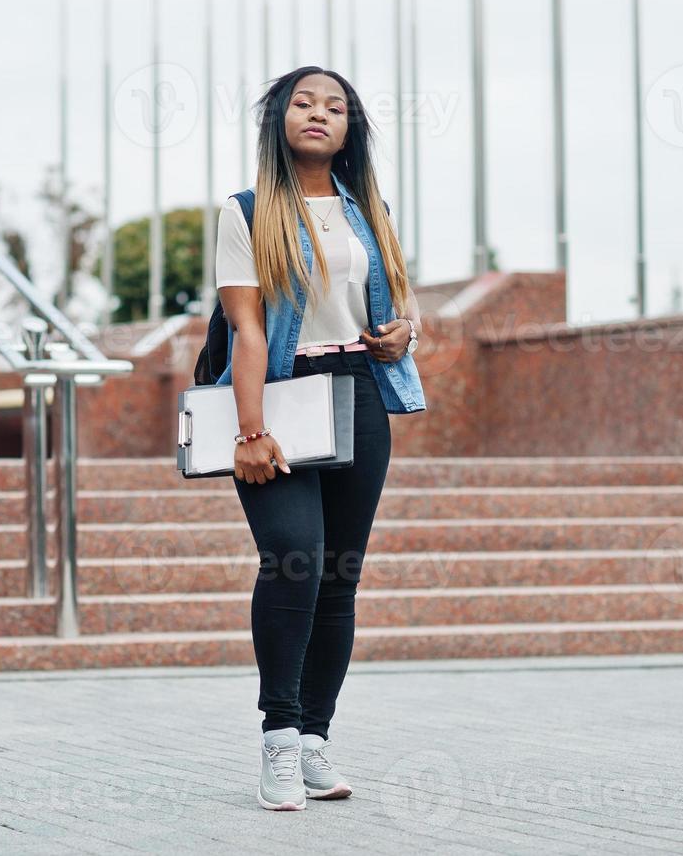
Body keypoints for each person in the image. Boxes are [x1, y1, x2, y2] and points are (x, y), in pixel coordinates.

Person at [213, 66, 427, 811]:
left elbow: (393, 304)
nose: (318, 114)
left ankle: (314, 742)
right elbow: (244, 327)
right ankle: (277, 735)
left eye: (334, 107)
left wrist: (404, 333)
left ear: (350, 128)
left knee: (337, 576)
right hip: (276, 398)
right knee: (291, 560)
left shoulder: (368, 209)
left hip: (357, 396)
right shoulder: (244, 213)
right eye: (303, 103)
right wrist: (249, 430)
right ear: (278, 120)